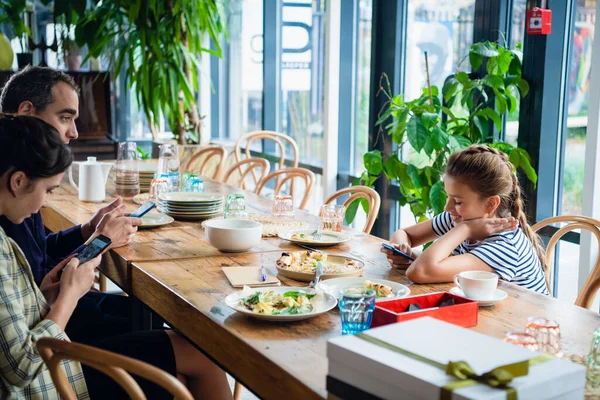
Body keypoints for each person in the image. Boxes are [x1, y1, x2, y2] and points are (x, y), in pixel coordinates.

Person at [0, 114, 232, 400]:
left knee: (183, 367)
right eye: (47, 191)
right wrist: (69, 295)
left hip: (52, 350)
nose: (45, 202)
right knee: (198, 358)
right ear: (19, 181)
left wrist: (44, 297)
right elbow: (22, 367)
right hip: (47, 379)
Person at [0, 66, 145, 343]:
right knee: (176, 345)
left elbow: (40, 251)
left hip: (50, 312)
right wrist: (100, 241)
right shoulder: (13, 195)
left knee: (152, 324)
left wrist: (85, 230)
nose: (75, 132)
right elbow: (43, 283)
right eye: (65, 117)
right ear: (26, 113)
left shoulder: (21, 181)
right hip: (51, 324)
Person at [381, 145, 549, 295]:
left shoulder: (505, 245)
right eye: (448, 197)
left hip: (522, 326)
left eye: (458, 201)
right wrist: (401, 250)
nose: (447, 208)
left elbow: (420, 272)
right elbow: (404, 233)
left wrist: (465, 230)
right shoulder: (459, 217)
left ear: (491, 204)